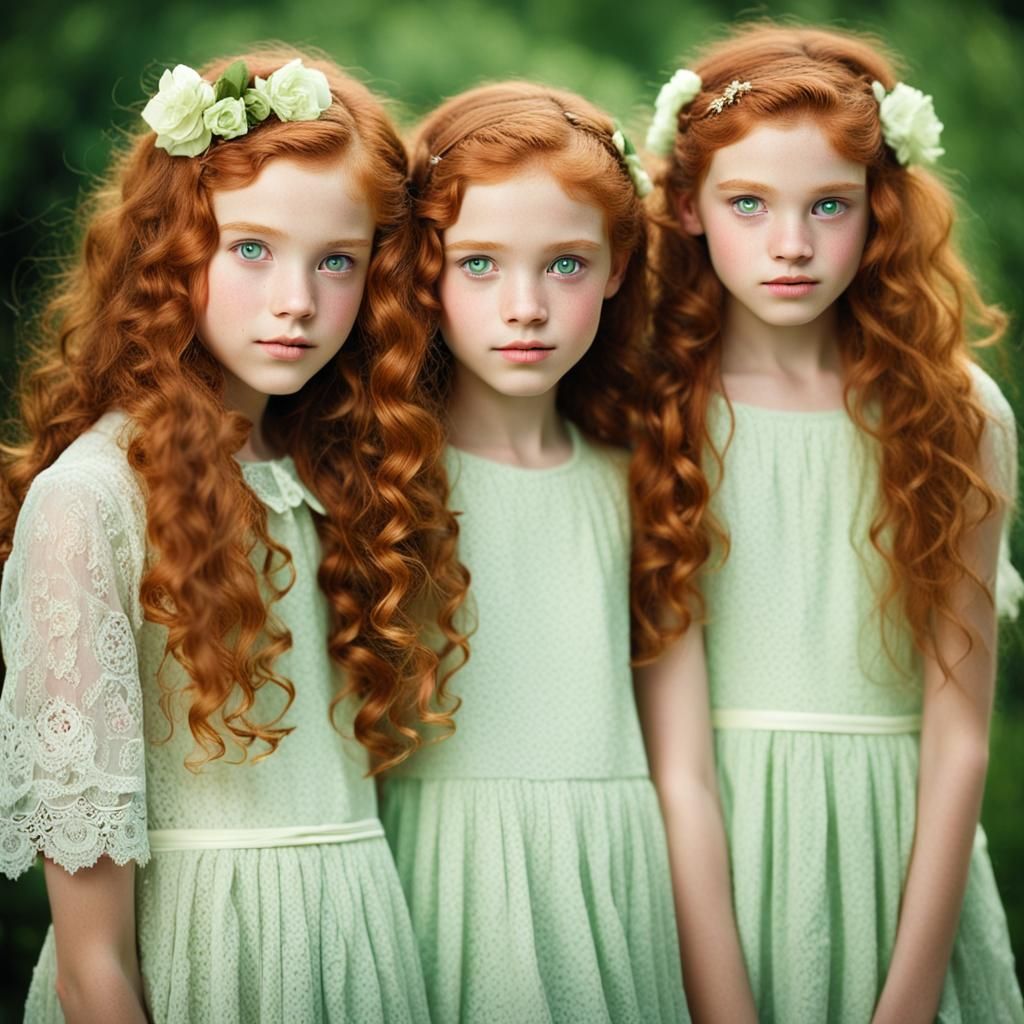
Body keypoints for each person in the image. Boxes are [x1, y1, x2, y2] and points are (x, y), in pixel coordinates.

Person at [0, 48, 467, 1023]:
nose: (296, 298)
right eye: (250, 248)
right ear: (169, 252)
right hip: (204, 966)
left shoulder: (340, 476)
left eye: (336, 260)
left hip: (360, 952)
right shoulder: (91, 499)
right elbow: (93, 965)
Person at [633, 22, 1024, 1023]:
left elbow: (961, 737)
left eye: (828, 206)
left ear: (878, 209)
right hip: (704, 867)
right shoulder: (655, 411)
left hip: (903, 854)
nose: (791, 243)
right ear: (686, 206)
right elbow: (675, 760)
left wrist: (909, 993)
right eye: (748, 203)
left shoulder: (957, 414)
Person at [378, 82, 688, 1023]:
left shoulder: (635, 480)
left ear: (620, 265)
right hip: (432, 886)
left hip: (614, 885)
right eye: (479, 264)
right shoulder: (380, 484)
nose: (525, 306)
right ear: (424, 270)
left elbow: (683, 767)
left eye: (564, 264)